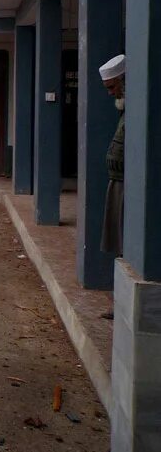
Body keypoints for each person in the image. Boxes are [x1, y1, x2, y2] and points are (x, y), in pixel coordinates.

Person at [98, 54, 125, 321]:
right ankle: (120, 304)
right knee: (119, 244)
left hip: (127, 187)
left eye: (113, 87)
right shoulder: (123, 112)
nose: (112, 93)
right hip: (117, 184)